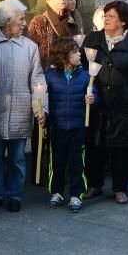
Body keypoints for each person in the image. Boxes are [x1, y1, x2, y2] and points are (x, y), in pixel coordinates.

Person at [81, 0, 128, 204]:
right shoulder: (93, 38)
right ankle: (94, 184)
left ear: (123, 20)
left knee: (122, 147)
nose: (106, 19)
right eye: (105, 15)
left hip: (125, 103)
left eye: (111, 16)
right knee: (95, 145)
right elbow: (82, 63)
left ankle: (120, 188)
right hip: (97, 102)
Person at [0, 0, 44, 212]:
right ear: (7, 20)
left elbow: (38, 79)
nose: (25, 23)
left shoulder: (30, 47)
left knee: (17, 159)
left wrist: (41, 107)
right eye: (21, 19)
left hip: (20, 111)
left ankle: (14, 195)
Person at [43, 37, 92, 212]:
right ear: (64, 56)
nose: (79, 53)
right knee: (56, 161)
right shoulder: (49, 76)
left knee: (77, 162)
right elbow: (43, 99)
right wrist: (42, 113)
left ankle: (76, 194)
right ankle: (56, 191)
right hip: (57, 126)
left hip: (78, 126)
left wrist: (92, 99)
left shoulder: (85, 75)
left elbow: (95, 97)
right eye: (75, 51)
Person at [27, 0, 79, 68]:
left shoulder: (71, 21)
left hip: (69, 73)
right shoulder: (39, 22)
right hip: (46, 75)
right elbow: (29, 53)